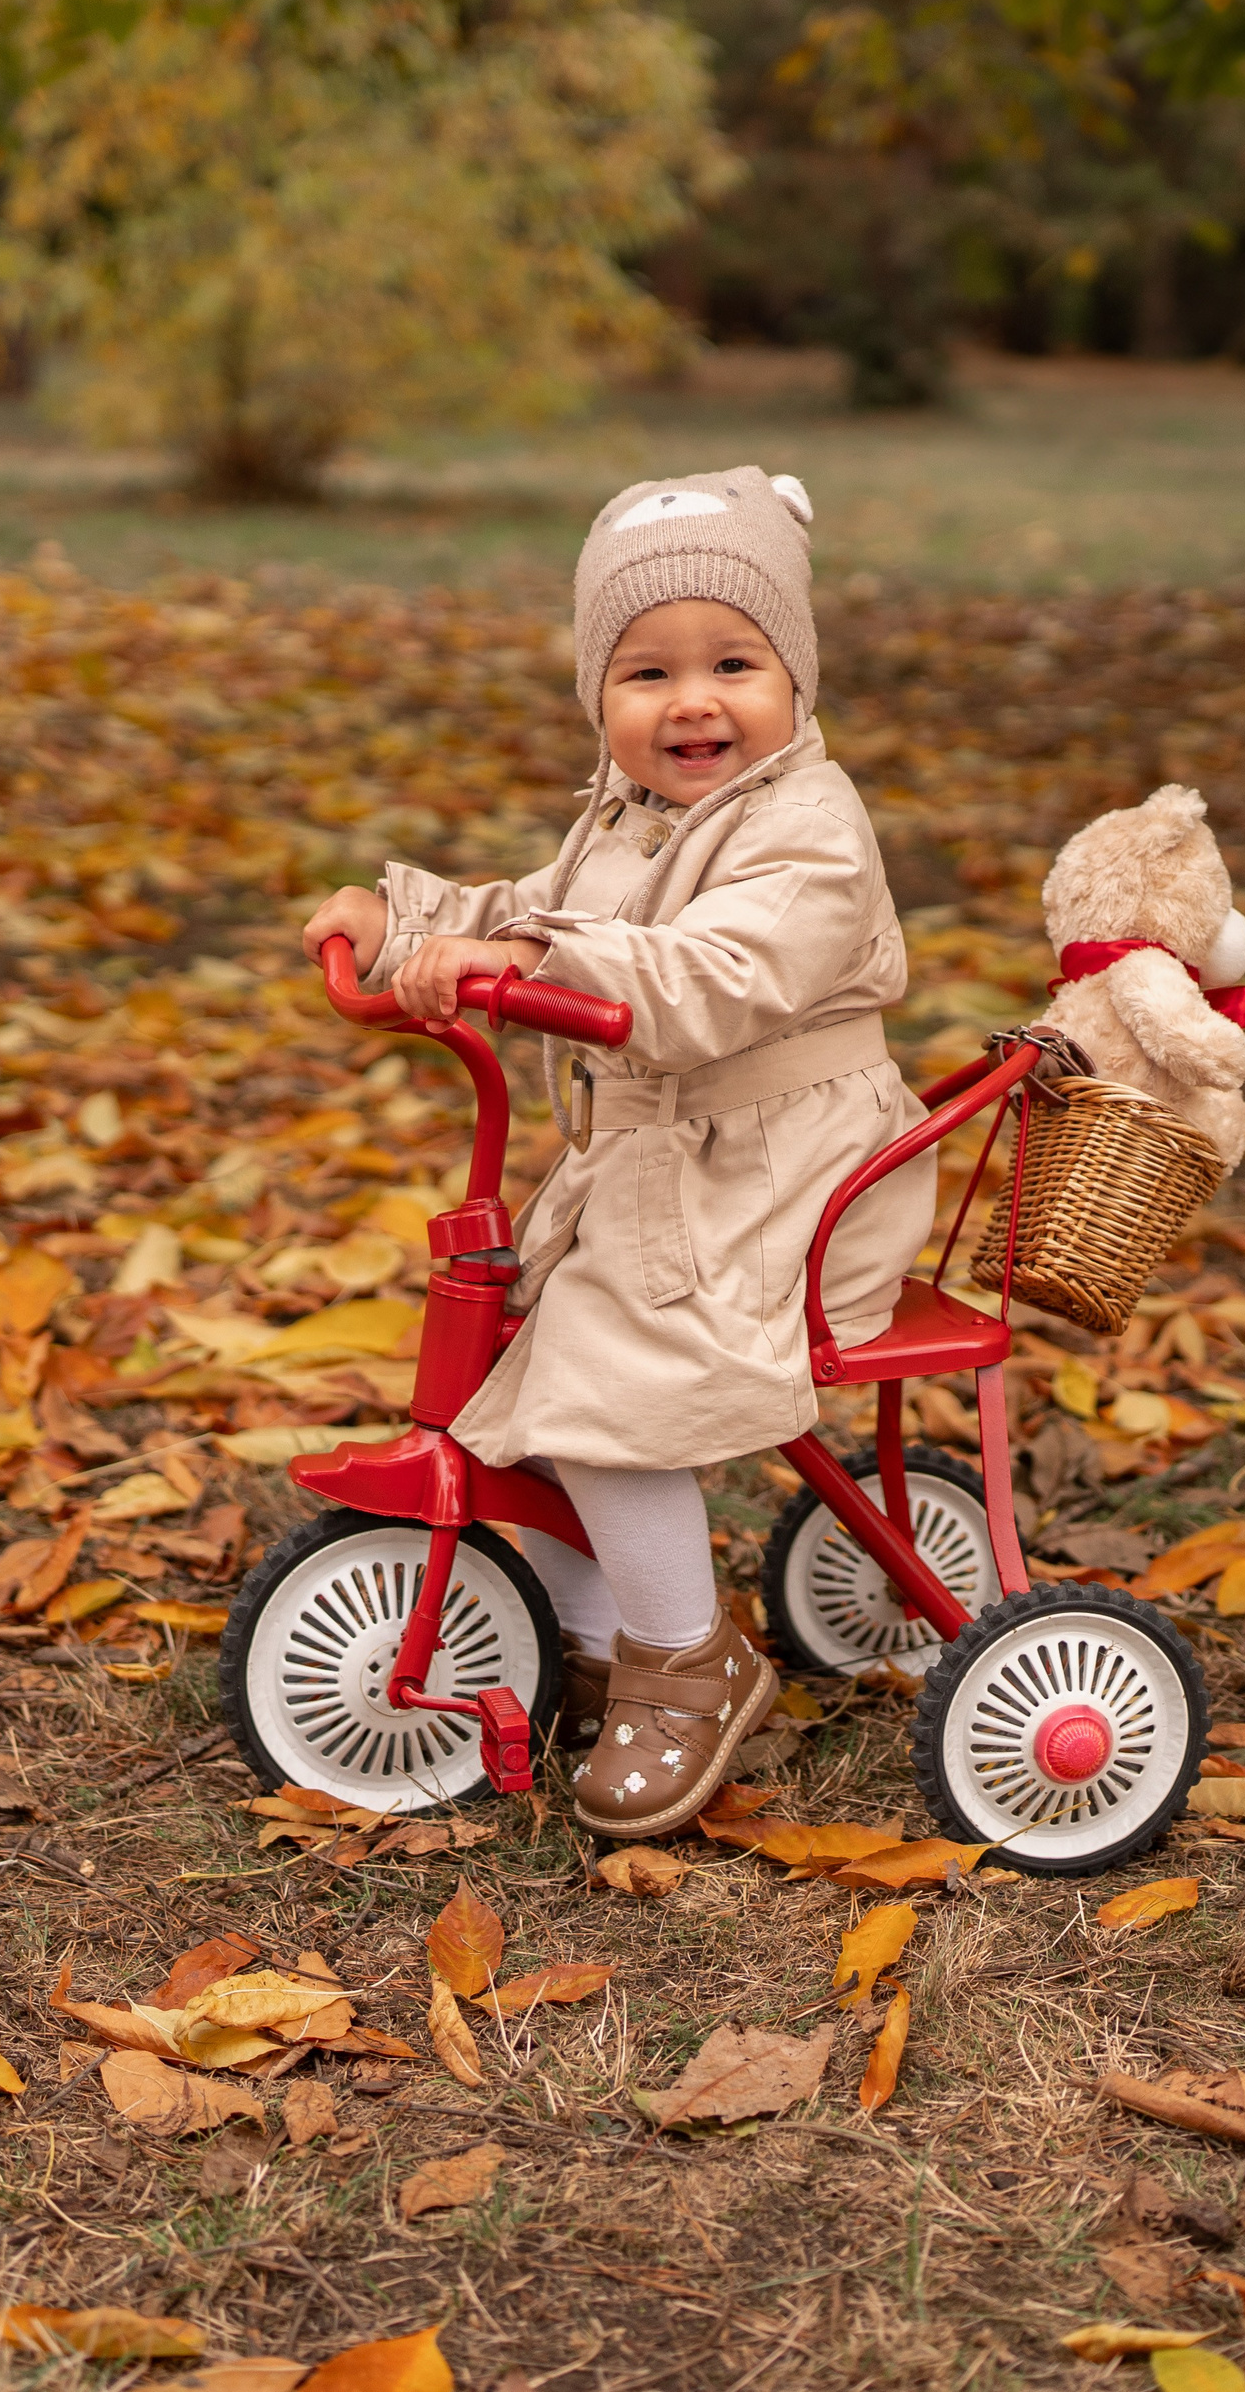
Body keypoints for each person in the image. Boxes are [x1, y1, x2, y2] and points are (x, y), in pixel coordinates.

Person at [301, 467, 932, 1839]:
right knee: (535, 1340)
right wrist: (407, 920)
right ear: (599, 697)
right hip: (671, 1164)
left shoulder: (810, 832)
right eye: (646, 671)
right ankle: (590, 1640)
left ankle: (686, 1660)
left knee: (608, 1363)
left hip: (793, 1177)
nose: (692, 700)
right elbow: (531, 910)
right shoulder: (627, 817)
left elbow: (714, 972)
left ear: (797, 679)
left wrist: (533, 953)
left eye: (733, 663)